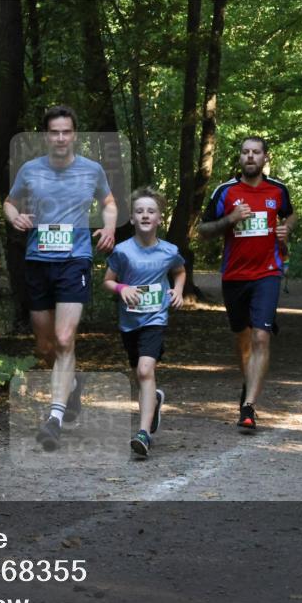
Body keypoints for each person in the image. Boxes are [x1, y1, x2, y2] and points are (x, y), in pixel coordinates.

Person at [4, 105, 118, 450]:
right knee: (45, 346)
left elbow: (109, 202)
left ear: (75, 135)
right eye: (54, 132)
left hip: (74, 260)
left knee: (65, 338)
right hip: (38, 261)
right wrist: (14, 217)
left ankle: (54, 418)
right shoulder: (30, 169)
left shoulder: (92, 169)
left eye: (66, 131)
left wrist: (109, 227)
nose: (60, 138)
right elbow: (9, 202)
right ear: (46, 136)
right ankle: (72, 385)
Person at [196, 136, 297, 431]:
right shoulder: (225, 191)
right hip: (234, 275)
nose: (250, 156)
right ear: (240, 158)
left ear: (265, 157)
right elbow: (203, 231)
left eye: (256, 152)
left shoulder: (277, 189)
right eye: (245, 152)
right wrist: (230, 219)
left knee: (261, 336)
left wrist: (286, 228)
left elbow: (291, 213)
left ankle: (249, 405)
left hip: (268, 273)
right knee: (243, 338)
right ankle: (248, 384)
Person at [103, 188, 185, 457]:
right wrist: (122, 288)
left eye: (151, 211)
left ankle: (143, 433)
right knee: (140, 375)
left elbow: (179, 271)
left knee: (145, 370)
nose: (145, 215)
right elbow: (108, 280)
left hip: (155, 318)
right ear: (132, 218)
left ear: (160, 218)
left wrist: (178, 290)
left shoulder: (169, 251)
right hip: (130, 322)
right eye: (139, 211)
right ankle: (154, 402)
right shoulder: (122, 251)